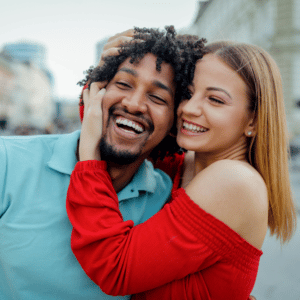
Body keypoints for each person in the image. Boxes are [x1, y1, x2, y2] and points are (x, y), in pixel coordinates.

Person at [66, 39, 297, 299]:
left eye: (215, 100)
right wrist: (109, 71)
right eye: (187, 93)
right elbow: (121, 139)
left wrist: (88, 158)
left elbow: (116, 268)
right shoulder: (186, 163)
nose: (189, 108)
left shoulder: (234, 180)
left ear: (253, 120)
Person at [0, 26, 205, 300]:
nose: (134, 104)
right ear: (94, 92)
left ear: (173, 125)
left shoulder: (165, 197)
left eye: (157, 97)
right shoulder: (8, 160)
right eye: (122, 84)